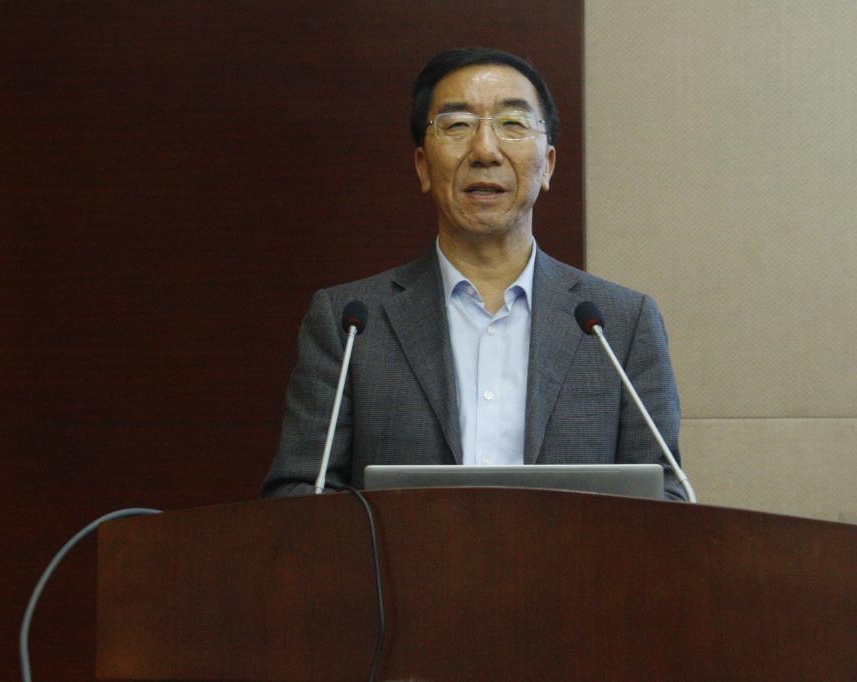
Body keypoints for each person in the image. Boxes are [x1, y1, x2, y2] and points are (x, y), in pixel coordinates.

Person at [261, 47, 685, 500]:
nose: (485, 150)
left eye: (513, 124)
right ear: (423, 166)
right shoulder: (351, 324)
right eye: (458, 125)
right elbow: (299, 493)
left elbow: (665, 499)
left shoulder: (619, 325)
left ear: (548, 165)